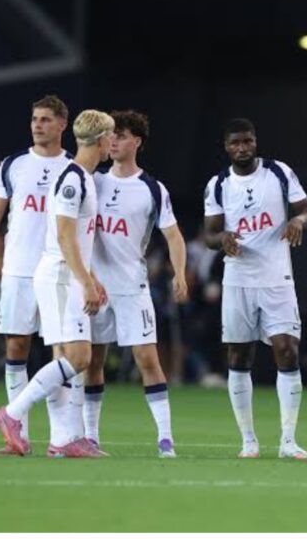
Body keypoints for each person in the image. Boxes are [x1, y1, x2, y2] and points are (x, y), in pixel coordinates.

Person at [0, 109, 113, 457]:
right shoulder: (73, 179)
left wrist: (92, 277)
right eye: (110, 136)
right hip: (61, 275)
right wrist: (85, 281)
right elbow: (64, 236)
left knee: (66, 356)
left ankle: (62, 439)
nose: (112, 142)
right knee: (78, 356)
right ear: (101, 139)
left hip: (66, 274)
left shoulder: (81, 176)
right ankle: (12, 413)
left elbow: (79, 237)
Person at [203, 117, 307, 459]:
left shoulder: (279, 172)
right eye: (235, 143)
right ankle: (248, 440)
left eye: (248, 141)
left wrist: (297, 220)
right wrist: (222, 239)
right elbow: (209, 234)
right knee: (239, 356)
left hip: (276, 276)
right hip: (238, 277)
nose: (242, 148)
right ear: (226, 147)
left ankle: (288, 441)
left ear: (255, 142)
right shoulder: (218, 184)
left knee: (287, 349)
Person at [83, 110, 189, 458]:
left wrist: (179, 273)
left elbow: (173, 236)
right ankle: (90, 437)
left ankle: (165, 439)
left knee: (147, 359)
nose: (113, 141)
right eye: (111, 135)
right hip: (95, 289)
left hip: (132, 287)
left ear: (137, 142)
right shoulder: (93, 181)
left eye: (122, 136)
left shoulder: (152, 189)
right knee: (92, 361)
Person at [0, 95, 72, 455]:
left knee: (61, 352)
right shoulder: (13, 165)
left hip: (58, 271)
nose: (37, 125)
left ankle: (61, 438)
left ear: (62, 124)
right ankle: (19, 438)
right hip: (17, 270)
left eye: (45, 119)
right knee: (16, 347)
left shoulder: (74, 168)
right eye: (34, 119)